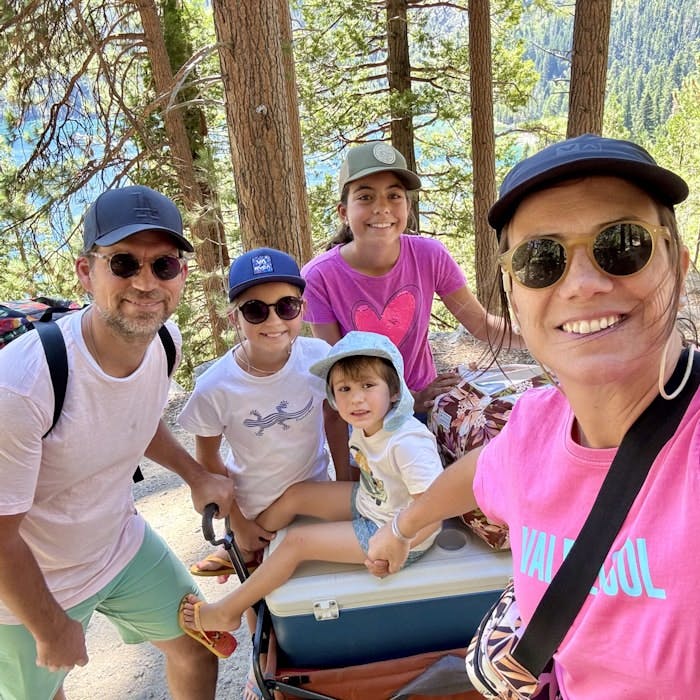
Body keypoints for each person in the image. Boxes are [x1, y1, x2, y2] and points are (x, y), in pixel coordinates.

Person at [366, 134, 699, 699]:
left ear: (678, 262)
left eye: (623, 244)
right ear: (515, 293)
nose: (585, 283)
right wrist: (402, 528)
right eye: (541, 259)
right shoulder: (533, 426)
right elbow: (481, 471)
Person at [0, 185, 236, 700]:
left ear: (183, 275)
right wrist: (48, 626)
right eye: (124, 263)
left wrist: (195, 474)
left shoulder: (163, 344)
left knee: (199, 648)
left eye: (164, 266)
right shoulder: (21, 385)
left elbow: (135, 415)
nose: (146, 283)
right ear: (87, 272)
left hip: (118, 547)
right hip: (25, 588)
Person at [179, 331, 444, 638]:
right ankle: (245, 547)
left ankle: (226, 612)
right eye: (344, 388)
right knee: (297, 494)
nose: (356, 398)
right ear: (331, 396)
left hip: (397, 534)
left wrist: (396, 545)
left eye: (368, 386)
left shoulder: (408, 442)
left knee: (297, 543)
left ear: (394, 391)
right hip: (376, 502)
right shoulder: (368, 424)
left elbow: (433, 510)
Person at [177, 247, 347, 700]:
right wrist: (238, 522)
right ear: (236, 318)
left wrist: (345, 478)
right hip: (252, 506)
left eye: (286, 306)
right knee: (260, 597)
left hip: (314, 496)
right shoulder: (216, 386)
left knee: (319, 589)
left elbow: (335, 418)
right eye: (256, 309)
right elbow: (209, 459)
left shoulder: (318, 356)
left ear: (302, 309)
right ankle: (262, 672)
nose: (274, 321)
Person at [301, 141, 522, 421]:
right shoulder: (319, 277)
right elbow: (341, 369)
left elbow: (480, 324)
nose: (382, 208)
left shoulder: (429, 255)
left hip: (426, 406)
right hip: (365, 414)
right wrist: (410, 400)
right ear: (343, 212)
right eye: (366, 197)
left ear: (407, 205)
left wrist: (539, 335)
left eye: (394, 196)